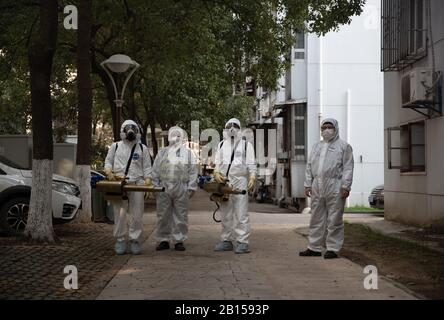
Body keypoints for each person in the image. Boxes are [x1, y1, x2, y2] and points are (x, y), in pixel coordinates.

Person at [299, 118, 354, 259]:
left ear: (336, 128)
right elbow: (309, 166)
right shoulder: (316, 146)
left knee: (334, 219)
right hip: (317, 186)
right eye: (324, 127)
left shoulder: (344, 146)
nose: (327, 130)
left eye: (330, 127)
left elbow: (348, 167)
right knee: (316, 218)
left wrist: (345, 186)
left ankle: (333, 248)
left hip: (335, 186)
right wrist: (307, 184)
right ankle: (314, 247)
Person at [104, 119, 153, 255]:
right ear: (123, 131)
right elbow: (108, 161)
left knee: (137, 214)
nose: (130, 131)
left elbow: (147, 167)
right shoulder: (116, 146)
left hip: (137, 184)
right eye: (128, 128)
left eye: (133, 128)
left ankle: (135, 240)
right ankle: (120, 239)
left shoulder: (142, 148)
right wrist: (109, 172)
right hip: (120, 184)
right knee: (120, 214)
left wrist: (148, 180)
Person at [213, 118, 257, 254]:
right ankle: (226, 240)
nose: (232, 128)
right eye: (229, 126)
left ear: (239, 128)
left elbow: (251, 164)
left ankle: (243, 241)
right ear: (225, 128)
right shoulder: (221, 145)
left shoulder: (246, 145)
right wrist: (215, 172)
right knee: (226, 213)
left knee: (241, 212)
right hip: (225, 182)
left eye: (235, 126)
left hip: (240, 181)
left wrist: (252, 176)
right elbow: (217, 163)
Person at [152, 126, 198, 251]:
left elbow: (193, 171)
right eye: (174, 135)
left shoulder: (188, 154)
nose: (176, 138)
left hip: (181, 188)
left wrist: (191, 187)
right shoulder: (162, 153)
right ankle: (163, 240)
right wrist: (155, 186)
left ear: (182, 137)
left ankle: (179, 240)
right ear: (169, 137)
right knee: (162, 215)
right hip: (163, 188)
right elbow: (155, 170)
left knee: (181, 215)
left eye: (179, 135)